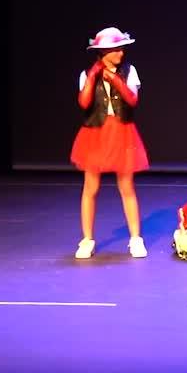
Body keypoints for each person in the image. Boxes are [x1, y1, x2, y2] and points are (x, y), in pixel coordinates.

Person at [71, 27, 148, 259]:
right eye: (116, 49)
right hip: (95, 133)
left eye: (122, 49)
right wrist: (93, 77)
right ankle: (87, 240)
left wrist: (115, 79)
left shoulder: (129, 71)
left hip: (122, 132)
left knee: (126, 186)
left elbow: (132, 100)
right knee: (90, 188)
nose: (121, 53)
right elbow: (84, 103)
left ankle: (135, 238)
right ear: (104, 52)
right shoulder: (87, 74)